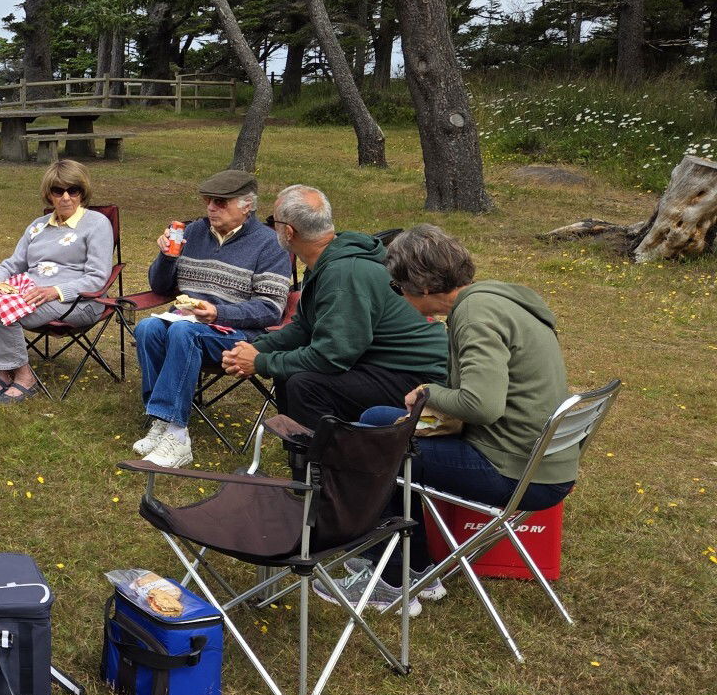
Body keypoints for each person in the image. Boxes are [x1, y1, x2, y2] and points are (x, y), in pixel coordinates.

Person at [315, 225, 582, 615]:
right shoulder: (494, 298)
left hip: (516, 472)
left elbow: (482, 404)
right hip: (539, 460)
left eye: (396, 288)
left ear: (420, 287)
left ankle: (389, 581)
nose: (399, 296)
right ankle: (419, 568)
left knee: (375, 444)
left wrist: (427, 393)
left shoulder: (473, 315)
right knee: (377, 418)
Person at [219, 185, 447, 429]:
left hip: (417, 377)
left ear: (288, 232)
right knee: (291, 374)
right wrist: (252, 350)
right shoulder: (329, 260)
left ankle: (326, 462)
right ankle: (304, 457)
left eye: (273, 221)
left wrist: (261, 362)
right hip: (382, 365)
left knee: (304, 385)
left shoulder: (342, 274)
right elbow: (303, 328)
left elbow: (332, 357)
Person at [130, 169, 292, 469]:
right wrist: (166, 256)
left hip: (237, 334)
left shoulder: (269, 244)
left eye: (221, 202)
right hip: (186, 320)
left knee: (182, 333)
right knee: (148, 327)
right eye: (208, 201)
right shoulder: (192, 233)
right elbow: (160, 287)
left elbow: (271, 309)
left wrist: (220, 312)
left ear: (247, 206)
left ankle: (177, 437)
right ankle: (160, 420)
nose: (211, 208)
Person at [0, 160, 115, 403]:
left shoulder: (97, 224)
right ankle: (3, 371)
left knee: (0, 310)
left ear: (82, 192)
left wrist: (55, 291)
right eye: (58, 191)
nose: (66, 197)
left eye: (73, 190)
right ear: (49, 195)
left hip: (79, 300)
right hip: (31, 292)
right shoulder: (38, 226)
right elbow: (14, 263)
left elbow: (98, 278)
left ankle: (24, 376)